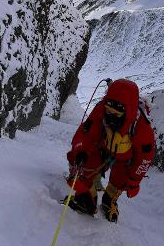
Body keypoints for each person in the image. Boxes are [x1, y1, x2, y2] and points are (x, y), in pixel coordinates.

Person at [65, 79, 155, 223]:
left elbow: (145, 157)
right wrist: (80, 152)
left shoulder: (141, 126)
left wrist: (134, 181)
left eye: (117, 113)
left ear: (129, 110)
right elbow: (85, 133)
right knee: (85, 168)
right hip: (102, 149)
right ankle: (87, 199)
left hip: (125, 159)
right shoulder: (101, 109)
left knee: (120, 180)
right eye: (109, 110)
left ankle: (109, 201)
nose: (111, 116)